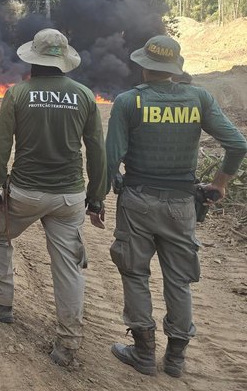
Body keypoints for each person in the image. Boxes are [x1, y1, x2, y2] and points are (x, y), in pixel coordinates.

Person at [106, 35, 247, 378]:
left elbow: (111, 159)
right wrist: (220, 184)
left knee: (135, 274)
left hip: (137, 200)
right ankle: (175, 359)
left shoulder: (128, 102)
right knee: (179, 281)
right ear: (174, 68)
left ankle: (142, 353)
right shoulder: (198, 98)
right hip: (183, 204)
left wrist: (103, 194)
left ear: (143, 66)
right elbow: (237, 144)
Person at [0, 28, 107, 367]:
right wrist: (96, 197)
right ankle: (67, 342)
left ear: (32, 59)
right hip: (69, 198)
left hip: (24, 193)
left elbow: (0, 148)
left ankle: (1, 303)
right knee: (68, 266)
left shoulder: (17, 94)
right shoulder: (83, 95)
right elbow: (97, 151)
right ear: (63, 62)